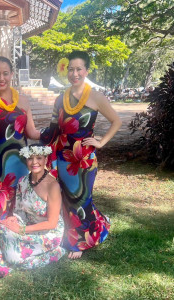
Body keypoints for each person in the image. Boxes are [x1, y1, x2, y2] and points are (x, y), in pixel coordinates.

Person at [41, 50, 122, 259]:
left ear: (86, 71)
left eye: (79, 69)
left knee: (82, 199)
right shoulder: (60, 98)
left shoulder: (96, 96)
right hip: (62, 157)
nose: (74, 73)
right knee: (67, 199)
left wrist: (101, 142)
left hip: (84, 159)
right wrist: (32, 137)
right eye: (71, 69)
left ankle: (81, 242)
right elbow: (52, 129)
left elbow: (117, 121)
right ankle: (74, 234)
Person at [0, 56, 40, 252]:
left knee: (19, 203)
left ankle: (18, 242)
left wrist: (55, 130)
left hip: (21, 164)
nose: (1, 78)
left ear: (12, 74)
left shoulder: (24, 101)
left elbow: (31, 133)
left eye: (5, 73)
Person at [0, 144, 65, 277]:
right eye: (30, 158)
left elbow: (52, 224)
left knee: (14, 258)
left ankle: (55, 253)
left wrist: (21, 230)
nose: (34, 162)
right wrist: (14, 219)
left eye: (39, 158)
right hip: (28, 226)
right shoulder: (23, 181)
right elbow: (19, 211)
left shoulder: (52, 186)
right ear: (26, 160)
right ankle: (3, 268)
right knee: (0, 229)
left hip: (48, 233)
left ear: (45, 160)